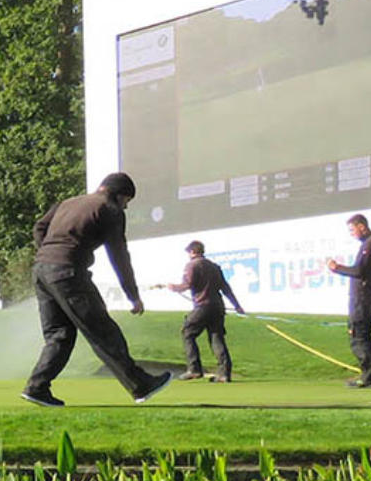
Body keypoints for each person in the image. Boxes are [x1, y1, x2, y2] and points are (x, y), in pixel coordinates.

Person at [21, 172, 171, 407]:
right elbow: (119, 255)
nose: (126, 207)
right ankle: (140, 385)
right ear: (119, 194)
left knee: (59, 335)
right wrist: (133, 295)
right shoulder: (110, 209)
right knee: (102, 331)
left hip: (41, 271)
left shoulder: (68, 202)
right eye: (127, 201)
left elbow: (39, 226)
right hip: (68, 273)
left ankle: (37, 388)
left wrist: (48, 253)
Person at [166, 240, 245, 382]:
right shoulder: (215, 267)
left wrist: (174, 287)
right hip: (218, 307)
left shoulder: (192, 265)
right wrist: (237, 306)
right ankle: (224, 373)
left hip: (202, 306)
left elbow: (187, 284)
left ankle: (194, 369)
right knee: (216, 338)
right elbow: (226, 288)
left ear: (192, 252)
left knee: (187, 333)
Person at [326, 213, 371, 388]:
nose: (351, 233)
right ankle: (369, 375)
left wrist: (337, 268)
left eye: (352, 229)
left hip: (363, 297)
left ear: (362, 226)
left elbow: (359, 271)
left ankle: (369, 377)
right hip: (363, 297)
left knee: (358, 336)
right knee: (361, 335)